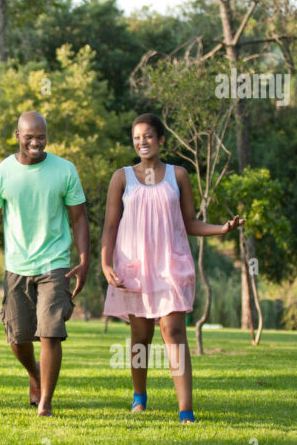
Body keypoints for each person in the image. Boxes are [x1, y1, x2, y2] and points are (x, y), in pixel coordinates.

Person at [100, 113, 245, 423]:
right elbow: (110, 226)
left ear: (161, 140)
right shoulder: (121, 177)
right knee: (141, 336)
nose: (142, 142)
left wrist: (222, 229)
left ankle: (186, 410)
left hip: (170, 264)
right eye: (137, 137)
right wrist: (104, 263)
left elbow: (189, 222)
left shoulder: (177, 176)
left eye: (148, 136)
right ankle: (139, 397)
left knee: (174, 332)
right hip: (134, 266)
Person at [0, 111, 90, 417]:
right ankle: (35, 373)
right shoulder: (0, 173)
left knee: (51, 331)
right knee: (18, 337)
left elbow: (78, 218)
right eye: (29, 137)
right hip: (16, 265)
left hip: (54, 262)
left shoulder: (65, 170)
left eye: (41, 136)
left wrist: (83, 259)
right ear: (17, 136)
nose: (36, 143)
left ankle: (46, 403)